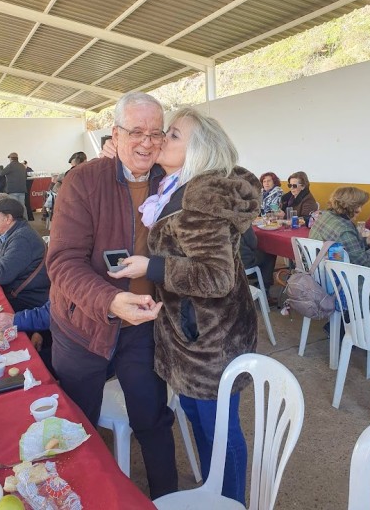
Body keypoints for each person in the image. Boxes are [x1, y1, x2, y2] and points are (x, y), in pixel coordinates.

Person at [106, 107, 261, 504]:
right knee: (200, 422)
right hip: (193, 335)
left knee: (219, 431)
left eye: (173, 135)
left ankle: (231, 501)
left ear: (199, 151)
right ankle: (213, 491)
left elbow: (216, 277)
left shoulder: (200, 199)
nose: (161, 140)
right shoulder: (175, 187)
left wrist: (151, 267)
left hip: (211, 340)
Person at [47, 92, 177, 500]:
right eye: (136, 132)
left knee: (152, 419)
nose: (146, 143)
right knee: (77, 428)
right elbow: (62, 261)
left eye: (155, 133)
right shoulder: (84, 180)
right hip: (82, 327)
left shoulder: (173, 180)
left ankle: (167, 499)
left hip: (144, 325)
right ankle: (78, 499)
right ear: (115, 135)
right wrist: (108, 301)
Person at [310, 187, 370, 268]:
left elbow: (347, 245)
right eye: (358, 206)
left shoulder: (325, 215)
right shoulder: (345, 230)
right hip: (335, 273)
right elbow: (365, 264)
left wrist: (364, 241)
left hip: (318, 266)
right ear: (347, 206)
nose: (360, 210)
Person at [0, 153, 28, 219]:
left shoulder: (10, 166)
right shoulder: (22, 166)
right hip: (22, 190)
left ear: (10, 158)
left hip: (12, 190)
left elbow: (1, 173)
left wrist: (0, 167)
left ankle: (16, 221)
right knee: (22, 206)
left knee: (14, 207)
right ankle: (25, 220)